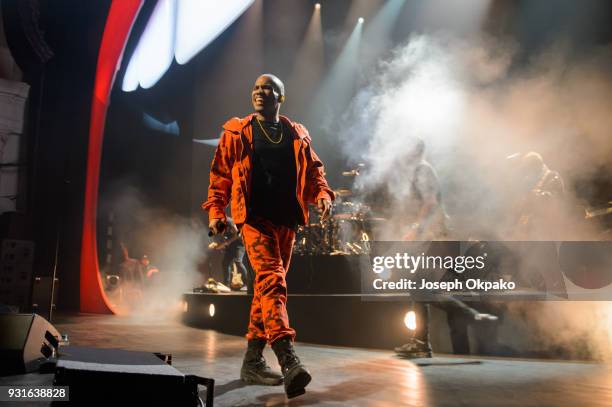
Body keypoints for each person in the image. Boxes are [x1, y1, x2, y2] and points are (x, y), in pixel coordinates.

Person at [202, 74, 334, 398]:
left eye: (268, 89)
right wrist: (217, 213)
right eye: (257, 88)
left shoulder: (296, 133)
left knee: (266, 289)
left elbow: (315, 170)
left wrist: (322, 194)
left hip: (287, 221)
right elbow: (219, 176)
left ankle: (252, 362)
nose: (260, 93)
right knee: (273, 280)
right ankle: (288, 359)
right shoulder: (237, 131)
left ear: (281, 97)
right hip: (254, 220)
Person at [208, 217, 248, 291]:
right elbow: (223, 236)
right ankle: (226, 285)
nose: (220, 233)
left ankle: (247, 284)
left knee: (238, 261)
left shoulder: (229, 222)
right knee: (225, 262)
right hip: (230, 244)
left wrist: (226, 243)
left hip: (239, 244)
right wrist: (219, 245)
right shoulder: (215, 224)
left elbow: (238, 235)